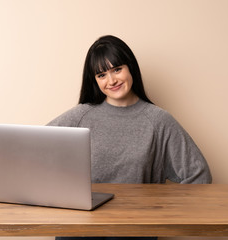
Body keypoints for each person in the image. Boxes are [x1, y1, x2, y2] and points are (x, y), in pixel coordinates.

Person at [47, 35, 212, 240]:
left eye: (117, 69)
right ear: (94, 81)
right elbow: (35, 150)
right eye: (101, 75)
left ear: (130, 67)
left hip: (133, 228)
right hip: (82, 226)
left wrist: (160, 213)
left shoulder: (158, 121)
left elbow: (199, 175)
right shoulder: (80, 115)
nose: (112, 80)